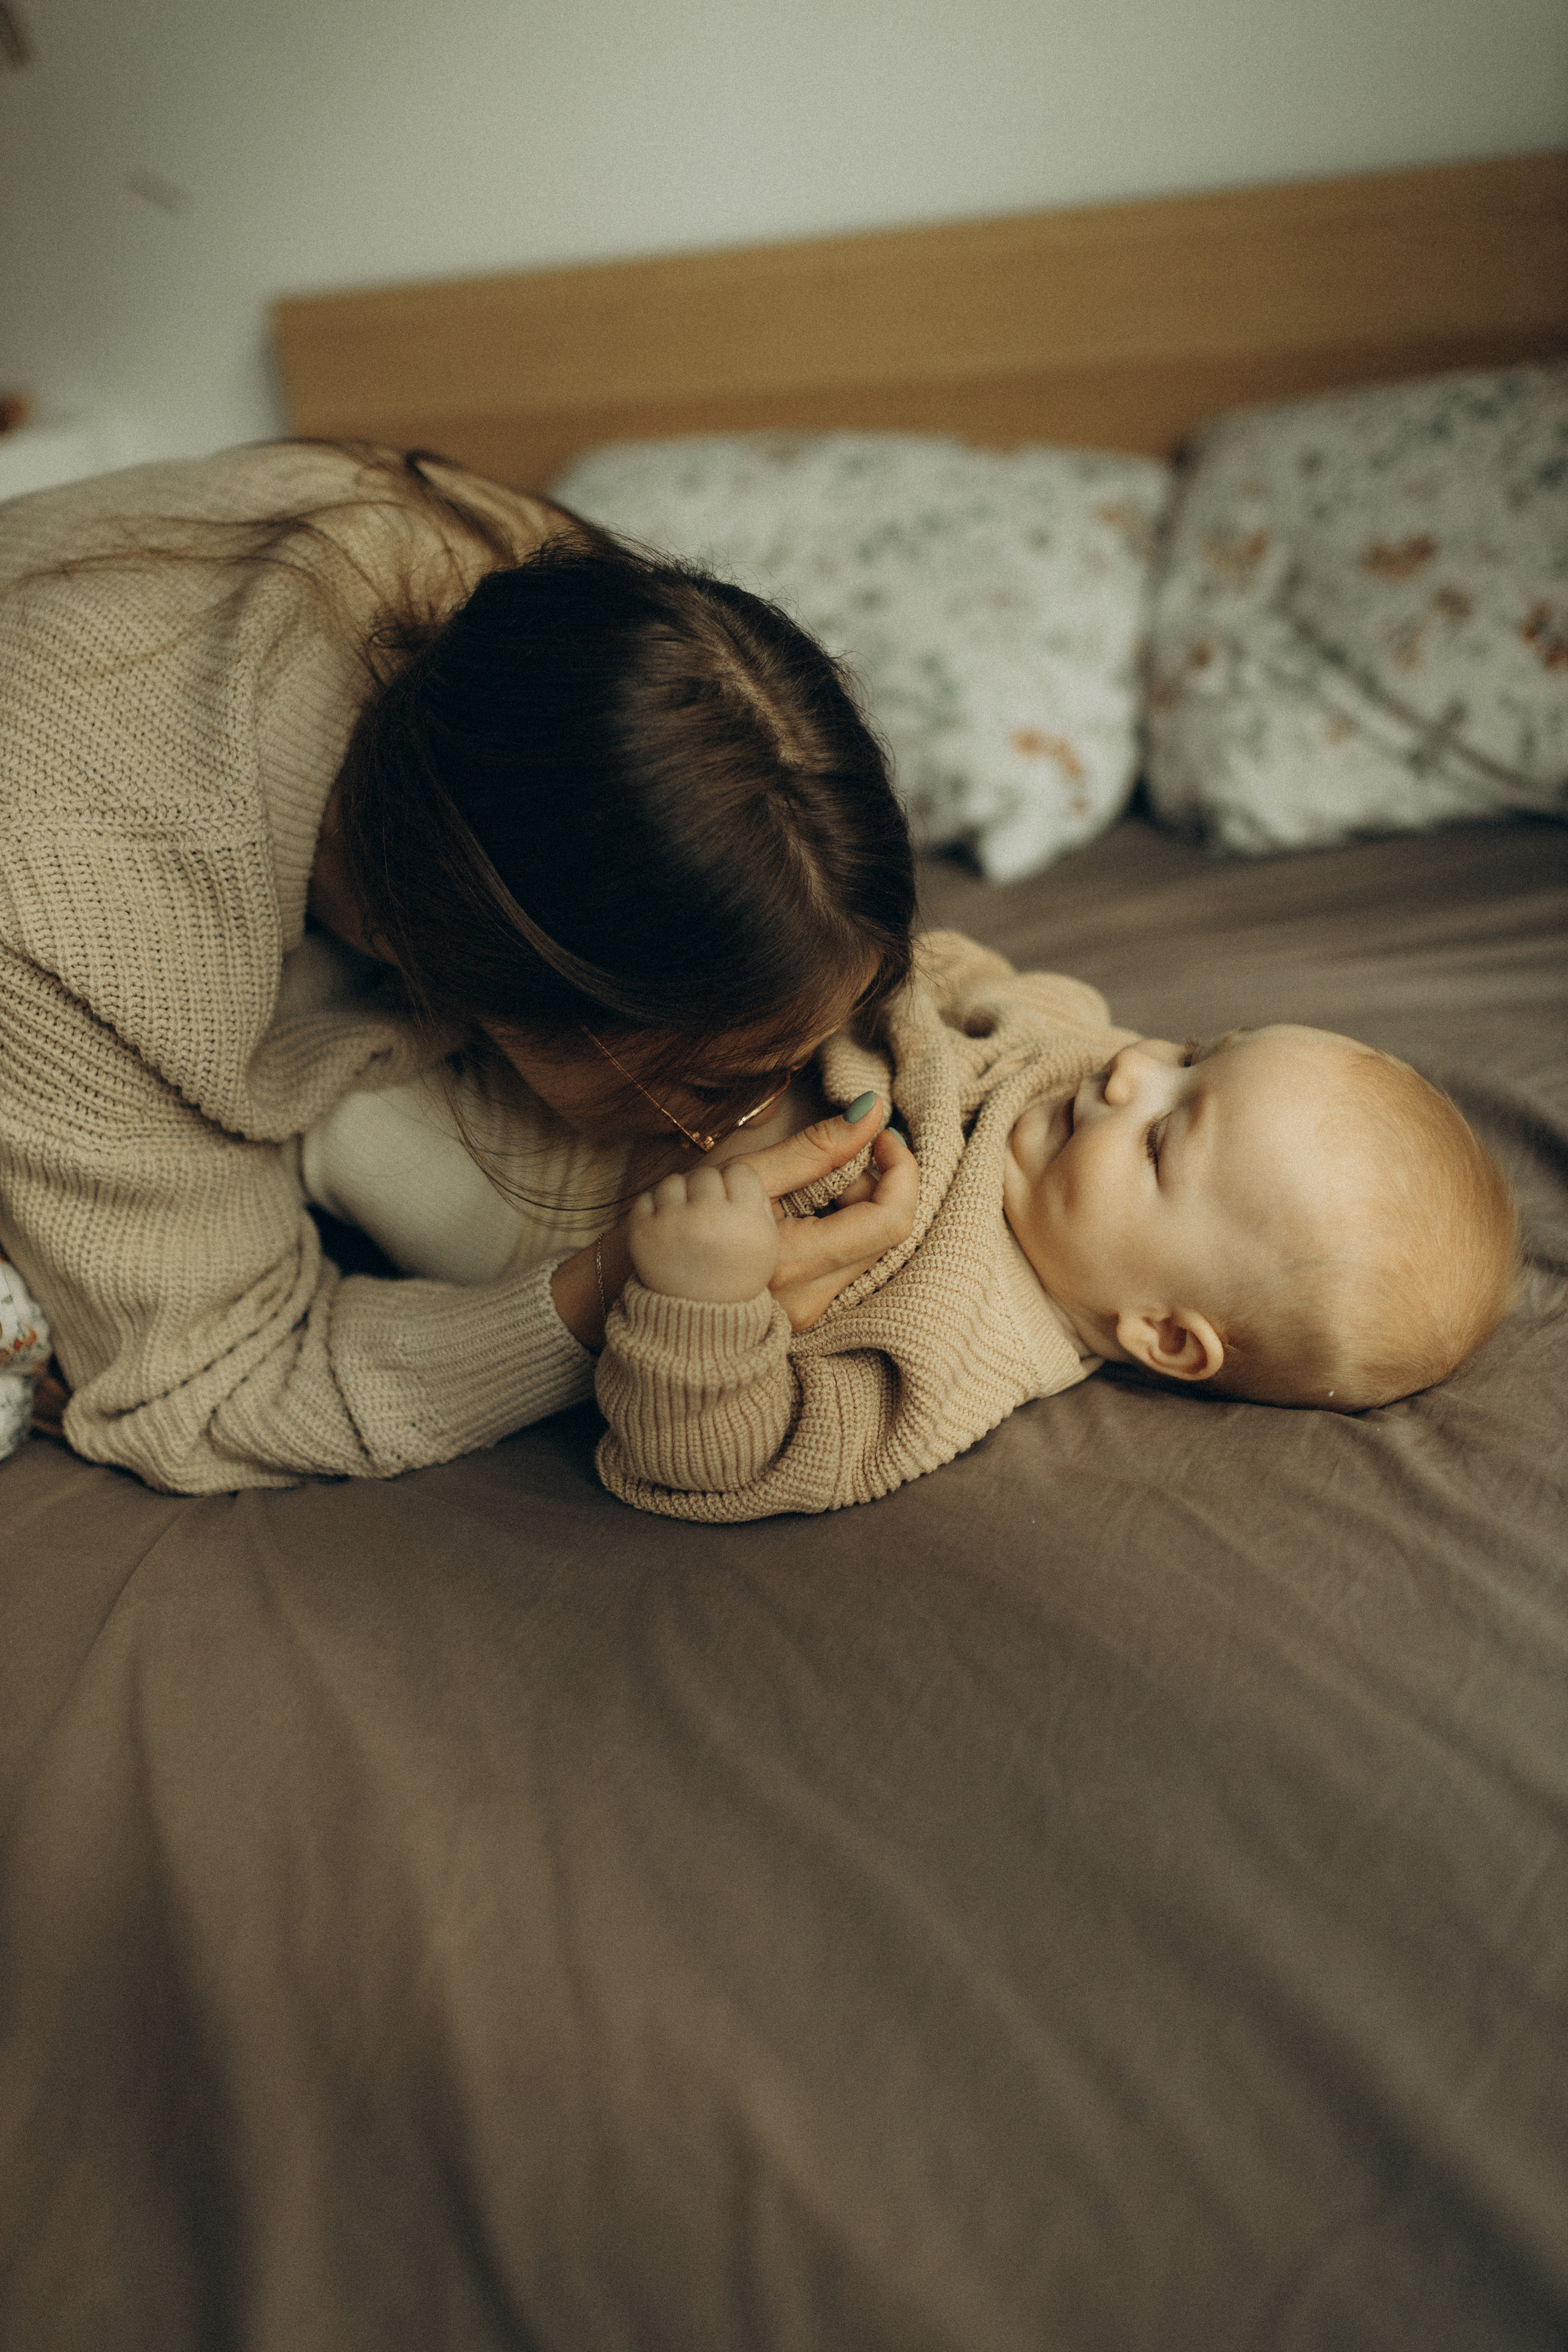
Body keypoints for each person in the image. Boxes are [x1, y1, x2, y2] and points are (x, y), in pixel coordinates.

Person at [0, 440, 918, 1493]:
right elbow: (211, 1387)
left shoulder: (555, 607)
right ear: (456, 976)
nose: (738, 1124)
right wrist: (626, 1288)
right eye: (710, 1089)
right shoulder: (63, 916)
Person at [586, 933, 1520, 1521]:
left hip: (584, 1180)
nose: (1133, 1071)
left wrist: (695, 1297)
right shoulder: (1082, 1057)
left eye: (1160, 1140)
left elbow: (730, 1454)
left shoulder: (960, 1345)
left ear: (1162, 1332)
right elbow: (975, 974)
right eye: (1196, 1054)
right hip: (684, 997)